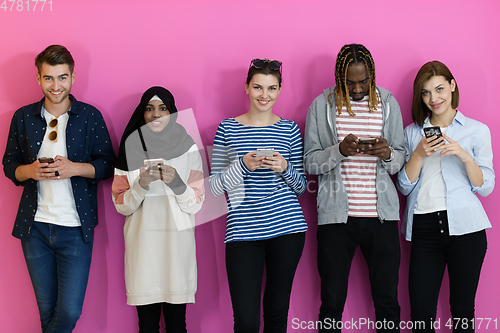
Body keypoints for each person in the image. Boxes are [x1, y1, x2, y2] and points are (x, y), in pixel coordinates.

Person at [2, 45, 115, 332]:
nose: (56, 86)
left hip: (75, 228)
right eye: (49, 78)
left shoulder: (90, 117)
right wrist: (30, 171)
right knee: (46, 311)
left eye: (62, 77)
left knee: (68, 312)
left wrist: (74, 168)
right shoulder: (23, 117)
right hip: (35, 227)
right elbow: (9, 164)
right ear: (38, 78)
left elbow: (107, 165)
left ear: (73, 77)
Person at [303, 44, 405, 332]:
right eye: (350, 83)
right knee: (332, 302)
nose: (357, 88)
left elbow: (399, 161)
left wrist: (387, 154)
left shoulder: (388, 103)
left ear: (372, 76)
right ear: (339, 78)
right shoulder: (321, 106)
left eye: (363, 81)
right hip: (337, 220)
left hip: (382, 218)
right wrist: (339, 151)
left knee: (387, 301)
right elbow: (309, 162)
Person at [209, 59, 307, 333]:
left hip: (287, 230)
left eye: (272, 88)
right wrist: (242, 165)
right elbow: (215, 186)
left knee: (276, 314)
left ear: (280, 90)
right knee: (246, 320)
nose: (265, 95)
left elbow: (301, 187)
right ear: (247, 87)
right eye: (258, 87)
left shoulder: (290, 129)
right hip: (242, 232)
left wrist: (285, 168)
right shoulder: (227, 128)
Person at [397, 61, 494, 333]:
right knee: (420, 314)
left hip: (467, 228)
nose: (433, 98)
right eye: (426, 93)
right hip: (425, 228)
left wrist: (463, 154)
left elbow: (485, 186)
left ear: (452, 86)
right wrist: (418, 154)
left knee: (463, 310)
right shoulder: (412, 132)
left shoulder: (477, 130)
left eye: (439, 89)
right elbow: (404, 187)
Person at [112, 86, 204, 333]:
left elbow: (196, 203)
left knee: (177, 326)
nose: (156, 114)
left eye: (163, 108)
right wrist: (141, 184)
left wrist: (176, 183)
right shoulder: (130, 147)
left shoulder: (189, 148)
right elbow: (121, 205)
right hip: (143, 252)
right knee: (147, 326)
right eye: (149, 109)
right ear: (142, 114)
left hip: (178, 252)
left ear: (172, 112)